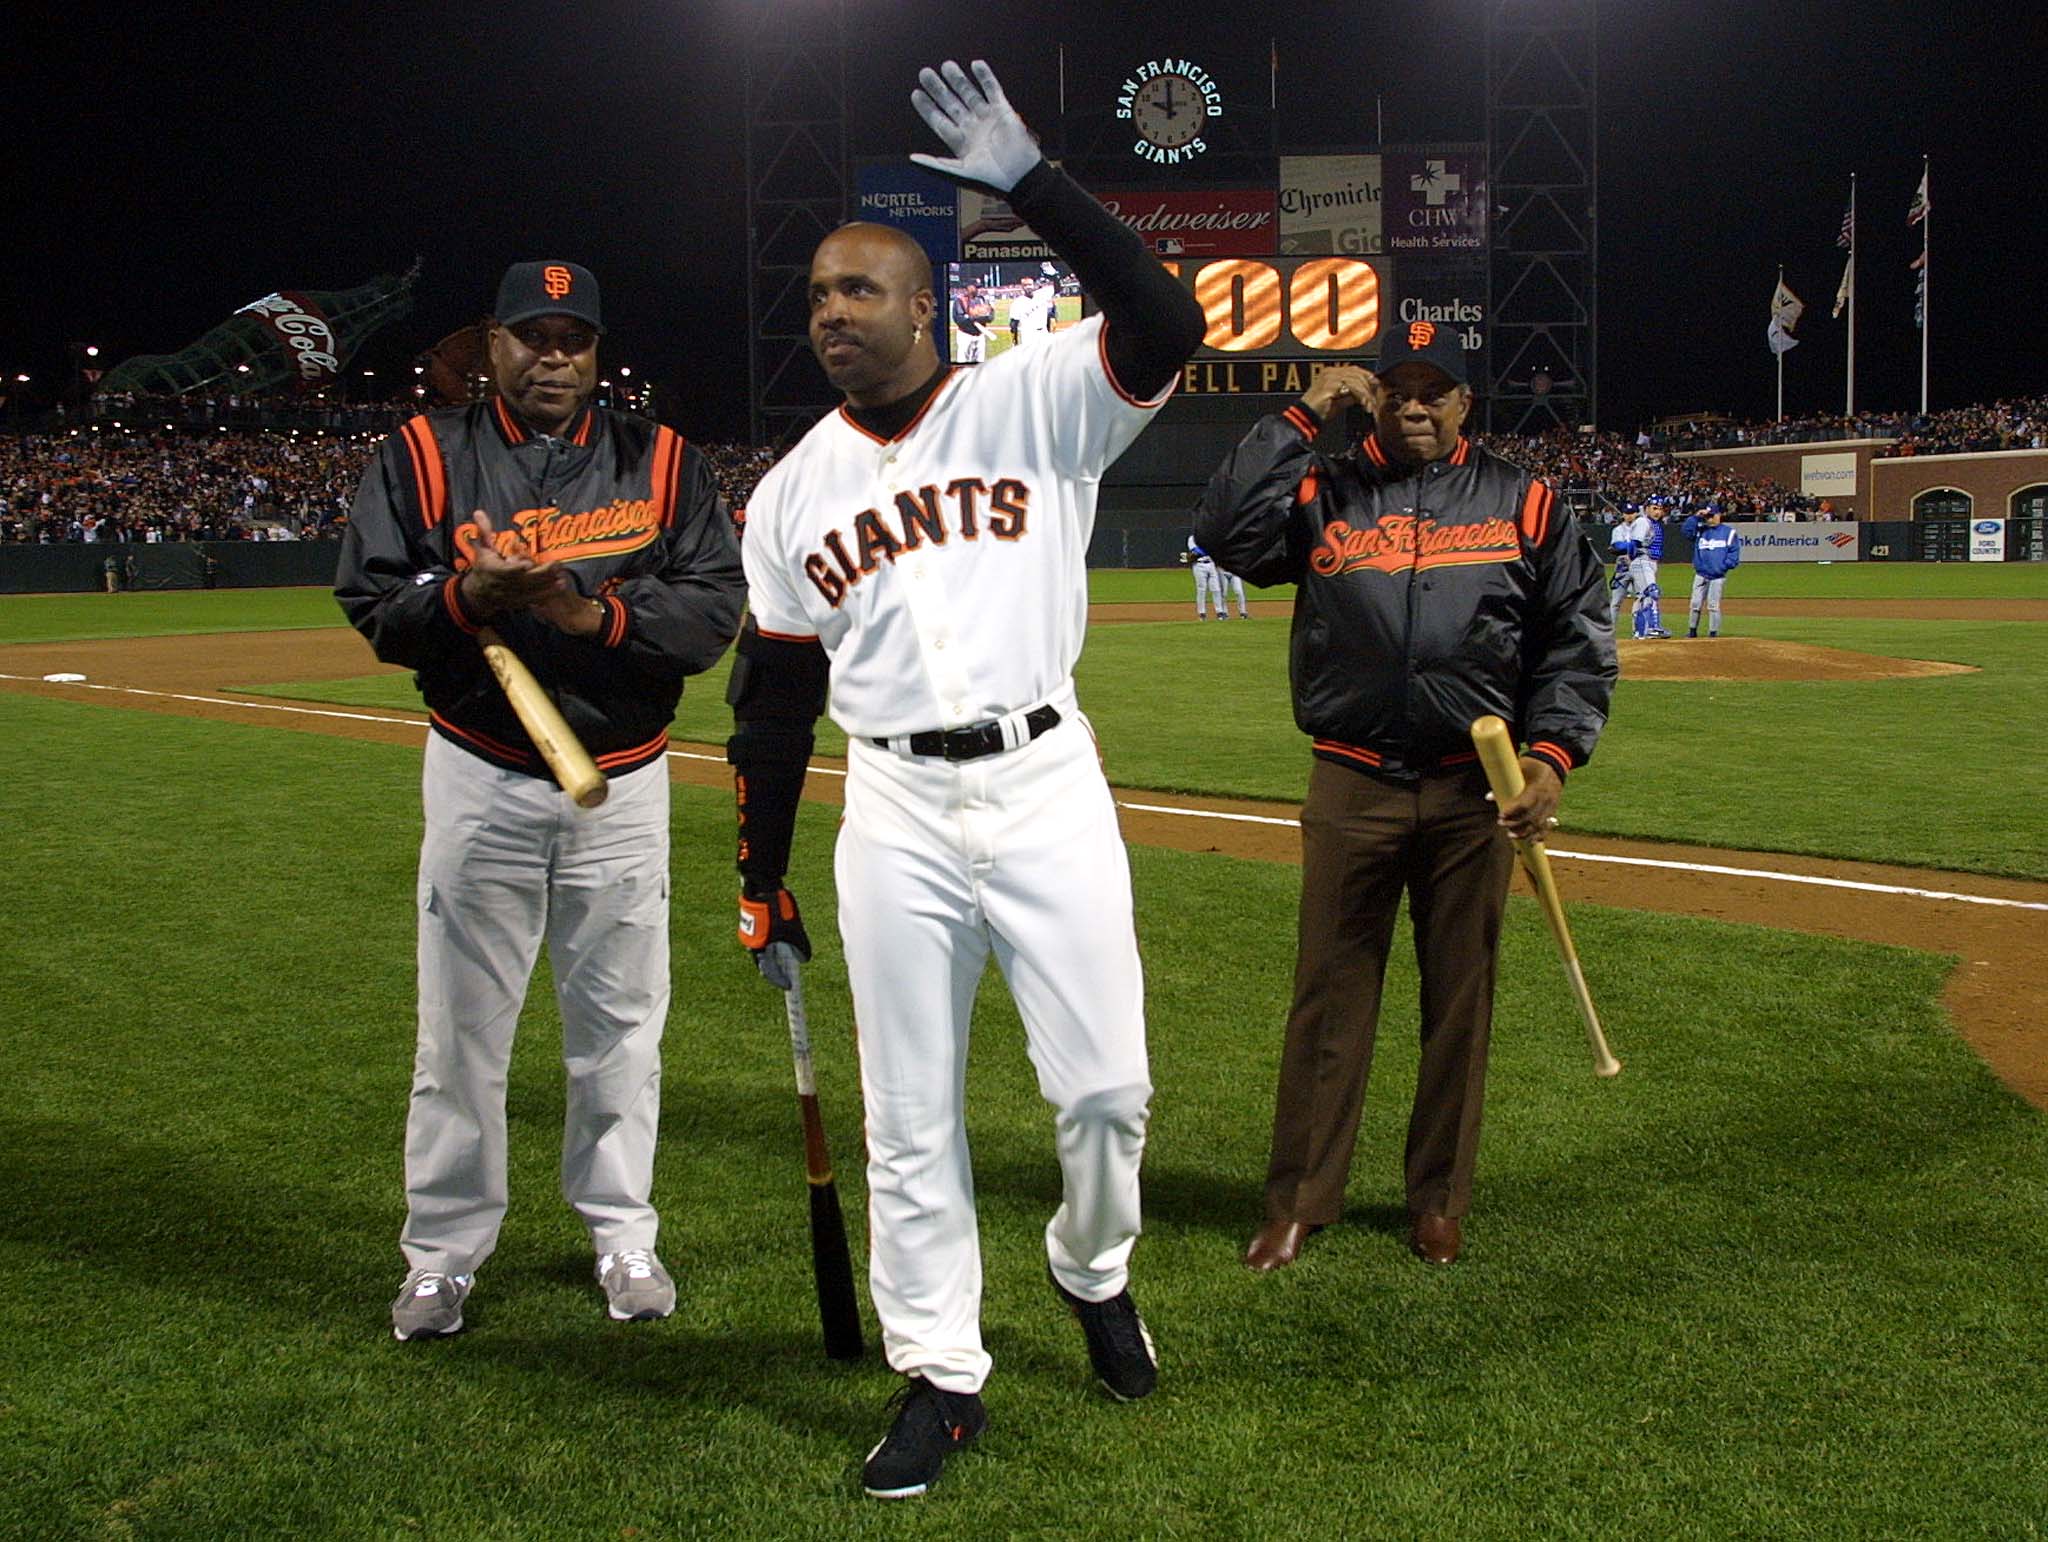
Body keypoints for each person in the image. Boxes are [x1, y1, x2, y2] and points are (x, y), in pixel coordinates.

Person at [724, 60, 1205, 1499]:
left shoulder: (1038, 401)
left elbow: (1168, 321)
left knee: (1108, 1088)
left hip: (1047, 777)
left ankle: (1090, 1265)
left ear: (924, 306)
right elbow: (776, 703)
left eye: (858, 291)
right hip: (896, 812)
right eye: (816, 294)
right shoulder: (790, 490)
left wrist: (1037, 186)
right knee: (909, 1111)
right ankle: (940, 1368)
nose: (830, 313)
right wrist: (758, 874)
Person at [335, 260, 746, 1342]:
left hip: (627, 779)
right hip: (479, 772)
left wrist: (582, 614)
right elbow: (373, 600)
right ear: (494, 345)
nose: (553, 356)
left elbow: (712, 614)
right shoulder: (425, 455)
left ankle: (621, 1232)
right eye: (532, 336)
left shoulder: (661, 462)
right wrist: (464, 595)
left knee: (619, 1028)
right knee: (460, 1034)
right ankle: (441, 1254)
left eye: (573, 338)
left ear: (597, 352)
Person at [1193, 320, 1615, 1275]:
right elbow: (1223, 533)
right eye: (1399, 390)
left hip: (1478, 790)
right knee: (1329, 996)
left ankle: (1437, 1200)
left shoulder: (1525, 498)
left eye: (1438, 391)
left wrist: (1551, 758)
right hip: (1351, 777)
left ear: (1467, 402)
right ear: (1373, 396)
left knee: (1459, 1000)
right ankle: (1300, 1199)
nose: (1417, 406)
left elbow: (1576, 638)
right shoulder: (1323, 487)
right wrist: (1303, 413)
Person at [1683, 504, 1741, 637]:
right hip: (1701, 574)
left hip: (1717, 576)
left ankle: (1713, 634)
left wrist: (1723, 567)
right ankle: (1692, 631)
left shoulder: (1728, 532)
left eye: (1712, 516)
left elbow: (1734, 553)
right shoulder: (1700, 530)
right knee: (1695, 604)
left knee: (1713, 606)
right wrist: (1696, 517)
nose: (1709, 519)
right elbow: (1686, 531)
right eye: (1707, 516)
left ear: (1718, 515)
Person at [1623, 497, 1671, 638]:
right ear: (1646, 508)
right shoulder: (1643, 522)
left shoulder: (1652, 523)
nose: (1658, 512)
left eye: (1660, 509)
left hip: (1649, 562)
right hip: (1642, 561)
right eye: (1654, 508)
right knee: (1652, 592)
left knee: (1643, 597)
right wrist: (1634, 557)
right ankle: (1653, 628)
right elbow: (1634, 543)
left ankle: (1639, 632)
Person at [951, 280, 994, 364]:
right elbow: (959, 319)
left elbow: (990, 317)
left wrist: (977, 316)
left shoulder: (982, 299)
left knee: (980, 363)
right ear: (968, 288)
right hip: (965, 335)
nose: (978, 289)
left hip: (980, 335)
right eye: (975, 287)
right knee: (963, 362)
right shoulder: (960, 301)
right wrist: (975, 317)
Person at [1187, 533, 1224, 619]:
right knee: (1201, 589)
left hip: (1211, 564)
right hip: (1199, 565)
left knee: (1216, 589)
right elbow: (1196, 551)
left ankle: (1219, 612)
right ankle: (1202, 613)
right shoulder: (1192, 538)